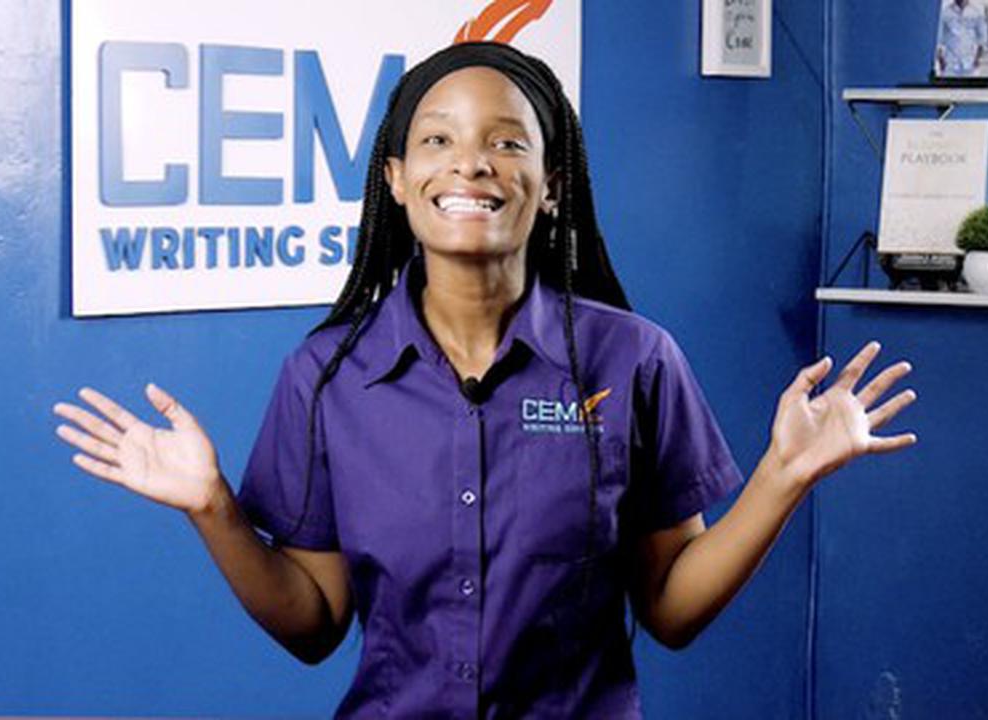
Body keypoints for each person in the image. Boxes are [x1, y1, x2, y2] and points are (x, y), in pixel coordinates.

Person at [52, 42, 917, 717]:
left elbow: (670, 610)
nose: (470, 164)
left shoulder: (636, 361)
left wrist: (782, 476)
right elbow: (312, 624)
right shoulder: (326, 376)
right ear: (396, 180)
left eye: (506, 143)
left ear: (551, 186)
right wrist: (214, 510)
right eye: (437, 140)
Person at [936, 0, 988, 77]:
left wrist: (978, 58)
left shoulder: (977, 12)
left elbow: (983, 38)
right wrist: (941, 59)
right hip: (949, 66)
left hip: (971, 65)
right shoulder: (944, 12)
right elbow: (938, 39)